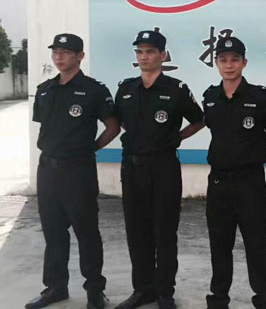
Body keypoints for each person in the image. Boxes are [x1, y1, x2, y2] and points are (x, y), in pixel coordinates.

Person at [27, 33, 120, 309]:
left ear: (80, 56)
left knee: (86, 231)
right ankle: (55, 287)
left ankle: (95, 291)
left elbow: (113, 126)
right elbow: (46, 127)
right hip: (48, 171)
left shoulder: (94, 90)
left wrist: (91, 148)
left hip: (78, 171)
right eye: (55, 52)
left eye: (66, 52)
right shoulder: (45, 89)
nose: (59, 57)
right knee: (53, 232)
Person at [114, 30, 205, 309]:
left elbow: (199, 120)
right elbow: (120, 122)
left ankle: (165, 291)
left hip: (164, 167)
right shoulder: (126, 89)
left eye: (150, 52)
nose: (144, 57)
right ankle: (143, 290)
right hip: (132, 168)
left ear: (163, 55)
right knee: (136, 231)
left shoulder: (176, 89)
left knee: (164, 231)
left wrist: (176, 137)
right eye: (140, 52)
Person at [202, 36, 266, 309]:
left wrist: (252, 147)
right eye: (223, 60)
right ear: (216, 63)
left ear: (244, 62)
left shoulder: (260, 97)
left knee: (257, 243)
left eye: (234, 59)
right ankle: (218, 298)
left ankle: (264, 298)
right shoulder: (210, 97)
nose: (229, 65)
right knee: (219, 244)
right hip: (219, 181)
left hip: (250, 181)